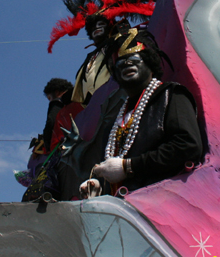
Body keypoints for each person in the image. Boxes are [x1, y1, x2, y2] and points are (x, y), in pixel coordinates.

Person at [77, 25, 203, 198]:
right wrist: (101, 186)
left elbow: (188, 146)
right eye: (121, 61)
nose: (127, 62)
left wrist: (129, 166)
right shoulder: (113, 123)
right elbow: (116, 168)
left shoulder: (171, 95)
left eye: (135, 58)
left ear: (150, 65)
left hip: (162, 205)